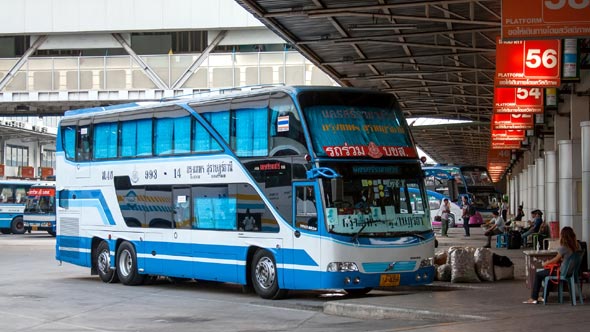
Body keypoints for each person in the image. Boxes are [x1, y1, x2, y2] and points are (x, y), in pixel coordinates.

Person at [522, 226, 580, 304]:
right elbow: (567, 258)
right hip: (571, 272)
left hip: (562, 272)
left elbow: (555, 259)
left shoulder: (564, 248)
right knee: (547, 273)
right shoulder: (577, 247)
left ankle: (534, 298)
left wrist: (546, 263)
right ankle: (543, 297)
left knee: (539, 274)